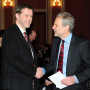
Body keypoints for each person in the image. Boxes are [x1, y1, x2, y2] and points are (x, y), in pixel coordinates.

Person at [37, 12, 90, 90]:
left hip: (75, 87)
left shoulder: (82, 44)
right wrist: (43, 70)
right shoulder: (56, 41)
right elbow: (52, 63)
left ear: (66, 27)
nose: (52, 27)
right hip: (57, 86)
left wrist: (75, 78)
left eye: (56, 25)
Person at [1, 3, 43, 90]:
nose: (30, 19)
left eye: (31, 16)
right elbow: (13, 59)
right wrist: (34, 71)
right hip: (15, 84)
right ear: (17, 15)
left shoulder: (24, 34)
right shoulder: (10, 33)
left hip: (26, 83)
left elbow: (28, 59)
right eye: (26, 15)